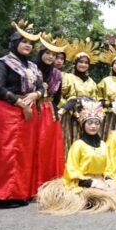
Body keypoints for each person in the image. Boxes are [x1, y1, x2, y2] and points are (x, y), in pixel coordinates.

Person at [0, 21, 43, 208]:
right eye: (24, 41)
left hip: (28, 112)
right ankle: (6, 195)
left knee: (25, 154)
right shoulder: (3, 63)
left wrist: (36, 94)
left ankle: (22, 192)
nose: (28, 45)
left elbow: (41, 86)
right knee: (7, 152)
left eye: (30, 43)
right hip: (7, 111)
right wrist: (20, 103)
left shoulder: (33, 66)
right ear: (14, 43)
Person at [37, 99, 116, 215]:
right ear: (83, 125)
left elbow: (109, 167)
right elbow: (72, 170)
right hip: (83, 182)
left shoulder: (103, 145)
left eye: (96, 123)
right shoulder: (78, 145)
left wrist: (109, 180)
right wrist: (90, 183)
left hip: (101, 181)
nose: (93, 126)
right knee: (97, 200)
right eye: (90, 123)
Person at [32, 33, 67, 194]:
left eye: (53, 55)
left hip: (48, 113)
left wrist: (54, 112)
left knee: (47, 148)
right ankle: (30, 184)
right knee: (31, 148)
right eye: (47, 53)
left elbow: (57, 97)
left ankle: (47, 184)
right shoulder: (31, 69)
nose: (50, 57)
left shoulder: (57, 75)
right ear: (40, 54)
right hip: (31, 110)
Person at [59, 38, 99, 152]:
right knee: (69, 142)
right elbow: (61, 97)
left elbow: (95, 100)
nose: (83, 64)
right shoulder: (67, 77)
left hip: (87, 118)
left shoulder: (91, 81)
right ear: (74, 63)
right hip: (69, 116)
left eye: (86, 63)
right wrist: (72, 110)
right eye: (80, 62)